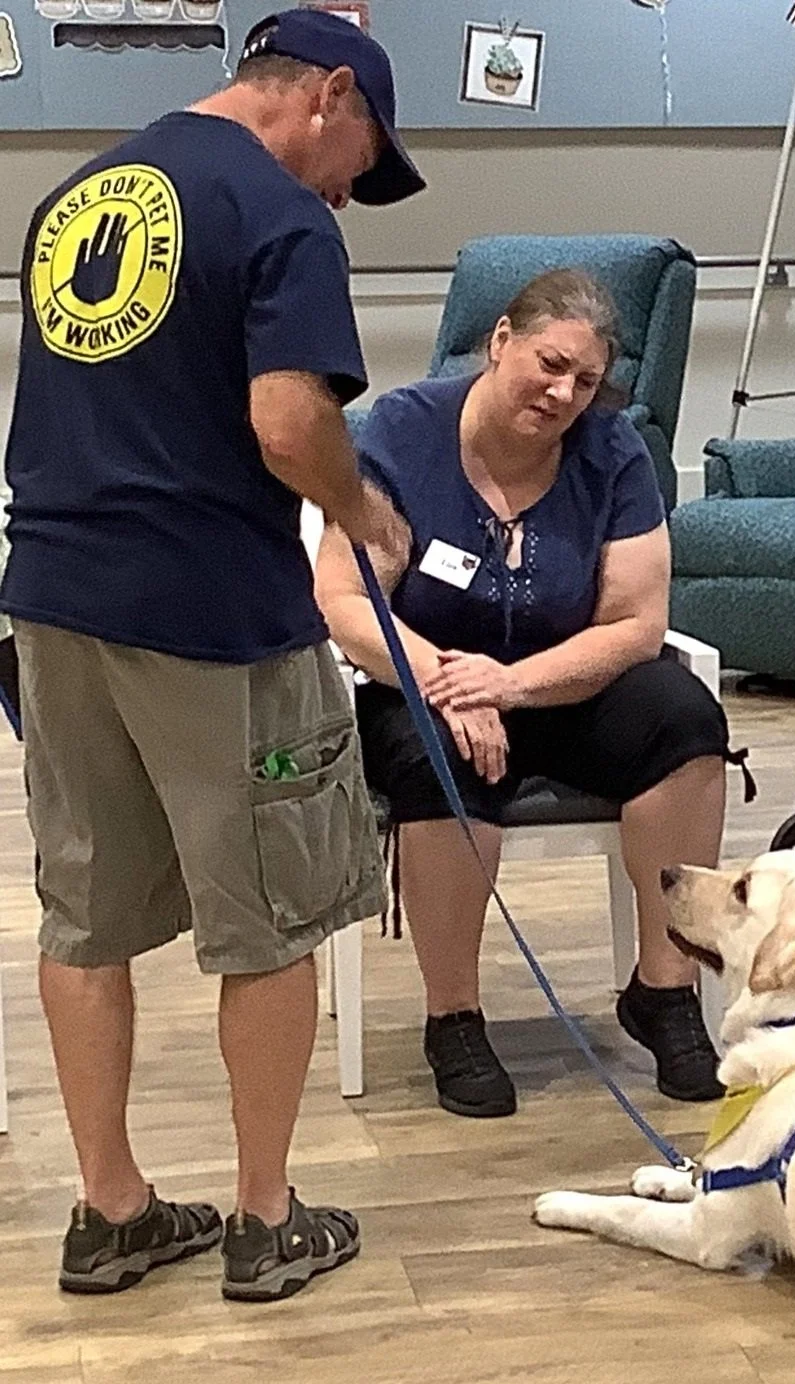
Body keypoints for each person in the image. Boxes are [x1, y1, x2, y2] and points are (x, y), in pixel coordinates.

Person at [0, 10, 423, 1298]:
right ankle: (262, 1216)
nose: (355, 187)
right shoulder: (283, 215)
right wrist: (369, 517)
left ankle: (110, 1208)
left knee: (84, 914)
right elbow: (290, 424)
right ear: (327, 93)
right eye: (365, 155)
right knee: (271, 917)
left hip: (53, 595)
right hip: (207, 613)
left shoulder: (85, 190)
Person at [314, 269, 733, 1120]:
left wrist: (510, 684)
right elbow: (348, 599)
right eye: (549, 363)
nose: (563, 392)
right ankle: (454, 1017)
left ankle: (666, 989)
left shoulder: (613, 451)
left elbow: (635, 624)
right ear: (501, 339)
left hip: (560, 680)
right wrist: (449, 684)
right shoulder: (402, 431)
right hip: (426, 679)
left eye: (584, 382)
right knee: (435, 764)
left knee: (686, 720)